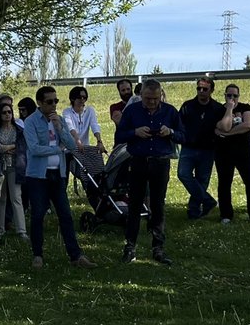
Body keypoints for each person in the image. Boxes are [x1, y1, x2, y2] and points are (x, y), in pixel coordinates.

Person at [23, 86, 95, 269]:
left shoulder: (59, 120)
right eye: (49, 102)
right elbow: (34, 148)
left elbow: (71, 145)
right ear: (39, 103)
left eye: (56, 101)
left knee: (65, 215)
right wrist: (57, 149)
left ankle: (76, 255)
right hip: (38, 175)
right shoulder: (31, 122)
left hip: (58, 173)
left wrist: (60, 128)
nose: (53, 105)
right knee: (38, 215)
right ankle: (37, 255)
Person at [114, 78, 182, 264]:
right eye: (147, 98)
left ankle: (158, 247)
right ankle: (130, 247)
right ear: (141, 95)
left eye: (155, 98)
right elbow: (119, 136)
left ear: (161, 95)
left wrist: (171, 133)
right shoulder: (132, 111)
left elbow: (184, 135)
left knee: (158, 205)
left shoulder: (169, 111)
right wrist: (134, 132)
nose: (152, 102)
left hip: (160, 162)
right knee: (135, 205)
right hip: (138, 161)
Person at [214, 84, 250, 225]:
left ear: (239, 96)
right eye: (229, 95)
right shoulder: (218, 110)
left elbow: (248, 124)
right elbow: (224, 125)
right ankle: (226, 215)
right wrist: (229, 109)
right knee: (224, 183)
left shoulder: (245, 108)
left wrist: (227, 134)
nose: (232, 98)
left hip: (244, 152)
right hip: (223, 153)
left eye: (235, 96)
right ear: (224, 95)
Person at [177, 76, 223, 219]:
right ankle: (208, 200)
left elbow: (222, 127)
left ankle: (193, 210)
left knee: (202, 180)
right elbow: (179, 124)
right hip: (188, 148)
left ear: (212, 90)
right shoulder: (187, 106)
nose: (201, 91)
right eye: (199, 88)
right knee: (183, 174)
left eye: (205, 89)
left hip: (208, 149)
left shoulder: (217, 108)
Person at [0, 100, 28, 241]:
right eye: (4, 112)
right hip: (0, 167)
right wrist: (11, 147)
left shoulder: (18, 130)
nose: (7, 115)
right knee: (0, 198)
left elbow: (22, 148)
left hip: (14, 167)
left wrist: (6, 147)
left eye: (9, 112)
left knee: (16, 198)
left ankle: (22, 231)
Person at [63, 86, 106, 153]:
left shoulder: (90, 110)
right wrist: (77, 140)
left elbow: (94, 126)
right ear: (72, 99)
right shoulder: (67, 112)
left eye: (84, 97)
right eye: (79, 97)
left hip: (85, 148)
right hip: (70, 148)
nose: (82, 99)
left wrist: (99, 141)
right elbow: (70, 127)